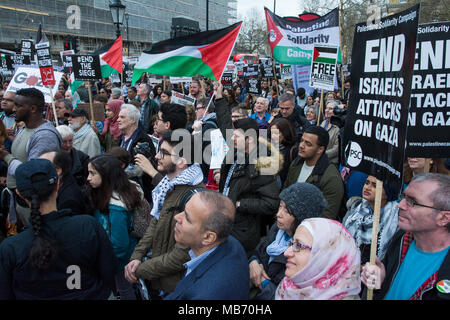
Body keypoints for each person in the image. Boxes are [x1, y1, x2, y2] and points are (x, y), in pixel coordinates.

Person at [0, 158, 117, 299]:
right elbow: (109, 272)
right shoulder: (88, 226)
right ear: (57, 185)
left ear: (19, 193)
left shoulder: (11, 248)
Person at [124, 131, 204, 299]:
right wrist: (137, 256)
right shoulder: (169, 186)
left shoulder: (194, 197)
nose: (157, 156)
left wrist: (140, 269)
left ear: (181, 162)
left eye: (164, 153)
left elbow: (181, 256)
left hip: (176, 288)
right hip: (160, 279)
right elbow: (155, 225)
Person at [214, 82, 281, 254]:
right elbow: (225, 126)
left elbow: (271, 203)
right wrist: (219, 97)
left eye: (236, 137)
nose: (232, 139)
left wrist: (239, 203)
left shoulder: (262, 163)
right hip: (226, 220)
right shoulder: (238, 150)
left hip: (242, 230)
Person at [361, 173, 450, 300]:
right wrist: (377, 285)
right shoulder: (403, 239)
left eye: (412, 202)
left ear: (443, 218)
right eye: (403, 197)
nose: (400, 205)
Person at [164, 190, 249, 300]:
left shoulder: (206, 295)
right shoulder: (231, 243)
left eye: (187, 218)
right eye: (183, 211)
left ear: (208, 237)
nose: (177, 217)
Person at [249, 183, 327, 300]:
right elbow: (259, 251)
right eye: (280, 206)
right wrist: (253, 262)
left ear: (301, 218)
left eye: (287, 211)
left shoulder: (304, 255)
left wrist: (264, 283)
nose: (278, 214)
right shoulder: (277, 230)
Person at [0, 88, 62, 227]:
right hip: (19, 201)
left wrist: (6, 157)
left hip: (34, 207)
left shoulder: (44, 136)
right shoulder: (23, 128)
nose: (14, 109)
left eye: (18, 105)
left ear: (33, 109)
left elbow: (34, 175)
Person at [86, 154, 144, 300]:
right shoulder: (121, 189)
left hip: (119, 261)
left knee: (124, 290)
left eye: (92, 173)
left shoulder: (116, 207)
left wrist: (105, 263)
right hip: (120, 256)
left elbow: (119, 245)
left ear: (106, 175)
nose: (88, 178)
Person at [275, 217, 361, 300]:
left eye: (298, 245)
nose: (286, 253)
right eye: (292, 244)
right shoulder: (288, 287)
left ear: (325, 257)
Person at [284, 125, 345, 220]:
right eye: (302, 141)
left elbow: (327, 216)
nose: (301, 146)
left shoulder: (331, 178)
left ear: (320, 149)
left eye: (308, 144)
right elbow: (286, 192)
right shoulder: (296, 164)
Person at [343, 175, 399, 264]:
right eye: (367, 183)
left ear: (387, 192)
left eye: (375, 185)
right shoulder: (355, 209)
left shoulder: (395, 219)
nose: (367, 188)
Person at [39, 151, 90, 216]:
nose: (38, 169)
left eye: (42, 165)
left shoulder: (69, 201)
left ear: (58, 170)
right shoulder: (63, 182)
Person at [269, 118, 298, 189]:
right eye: (272, 133)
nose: (273, 136)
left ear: (286, 132)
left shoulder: (294, 150)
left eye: (276, 133)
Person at [320, 100, 340, 164]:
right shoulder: (323, 123)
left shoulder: (338, 127)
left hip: (331, 162)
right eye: (326, 108)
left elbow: (336, 149)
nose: (327, 110)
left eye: (330, 109)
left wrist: (320, 154)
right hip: (319, 159)